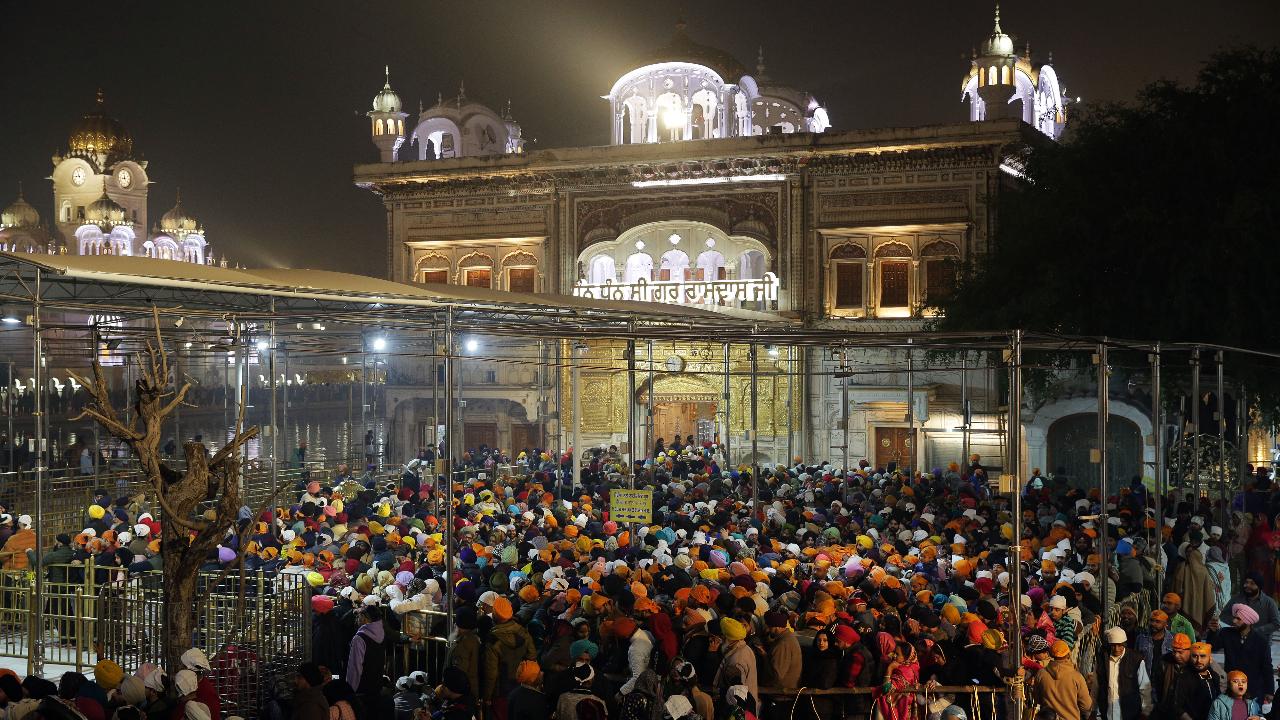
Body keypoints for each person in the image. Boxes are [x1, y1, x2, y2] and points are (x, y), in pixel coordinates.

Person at [1213, 603, 1275, 704]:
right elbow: (1213, 646)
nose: (1234, 621)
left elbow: (1267, 666)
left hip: (1253, 690)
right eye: (1234, 618)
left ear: (1248, 621)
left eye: (1238, 619)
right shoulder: (1226, 633)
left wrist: (1269, 691)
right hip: (1231, 688)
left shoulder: (1261, 641)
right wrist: (1213, 631)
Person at [1097, 627, 1152, 720]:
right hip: (1107, 713)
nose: (1116, 649)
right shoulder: (1103, 659)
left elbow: (1145, 687)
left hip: (1129, 713)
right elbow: (1097, 686)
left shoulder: (1136, 659)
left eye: (1120, 645)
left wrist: (1146, 711)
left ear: (1125, 644)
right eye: (1113, 645)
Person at [1034, 640, 1091, 720]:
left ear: (1051, 654)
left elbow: (1037, 699)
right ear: (1068, 654)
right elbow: (1086, 706)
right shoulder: (1077, 677)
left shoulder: (1041, 674)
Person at [1165, 641, 1222, 720]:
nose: (1198, 660)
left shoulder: (1215, 676)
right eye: (1195, 656)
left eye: (1202, 656)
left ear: (1210, 659)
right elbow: (1177, 706)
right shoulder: (1184, 678)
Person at [345, 605, 387, 710]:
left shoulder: (359, 638)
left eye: (358, 616)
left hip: (361, 688)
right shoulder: (381, 633)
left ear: (365, 618)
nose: (357, 619)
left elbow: (355, 667)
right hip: (376, 684)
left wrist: (350, 690)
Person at [1214, 572, 1280, 639]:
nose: (1247, 585)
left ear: (1259, 587)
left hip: (1261, 640)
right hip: (1239, 638)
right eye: (1246, 582)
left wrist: (1254, 631)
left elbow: (1276, 623)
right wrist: (1237, 622)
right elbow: (1223, 615)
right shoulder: (1237, 599)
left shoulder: (1269, 602)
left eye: (1252, 583)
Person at [762, 613, 801, 689]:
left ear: (777, 627)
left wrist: (764, 656)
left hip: (781, 693)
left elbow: (777, 675)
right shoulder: (787, 637)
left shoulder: (783, 644)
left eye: (770, 627)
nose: (767, 629)